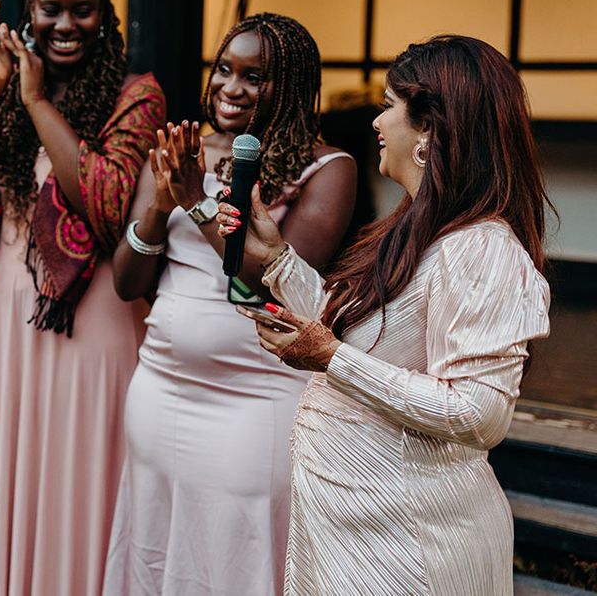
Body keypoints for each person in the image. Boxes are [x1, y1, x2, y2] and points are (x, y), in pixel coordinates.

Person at [218, 34, 552, 595]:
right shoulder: (414, 229)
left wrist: (329, 357)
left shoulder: (480, 248)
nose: (377, 121)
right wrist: (275, 256)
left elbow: (479, 413)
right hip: (352, 529)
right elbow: (362, 337)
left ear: (429, 128)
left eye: (389, 105)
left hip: (409, 544)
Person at [0, 0, 165, 595]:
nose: (66, 24)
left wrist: (34, 102)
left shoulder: (134, 95)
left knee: (70, 481)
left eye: (82, 10)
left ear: (104, 13)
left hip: (85, 323)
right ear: (28, 11)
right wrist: (1, 88)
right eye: (51, 8)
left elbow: (108, 202)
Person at [104, 13, 357, 594]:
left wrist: (195, 202)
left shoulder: (329, 169)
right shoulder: (181, 149)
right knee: (154, 543)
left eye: (254, 76)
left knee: (237, 552)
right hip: (162, 383)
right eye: (225, 69)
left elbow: (275, 279)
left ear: (290, 86)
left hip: (257, 393)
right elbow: (125, 280)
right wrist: (159, 203)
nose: (231, 87)